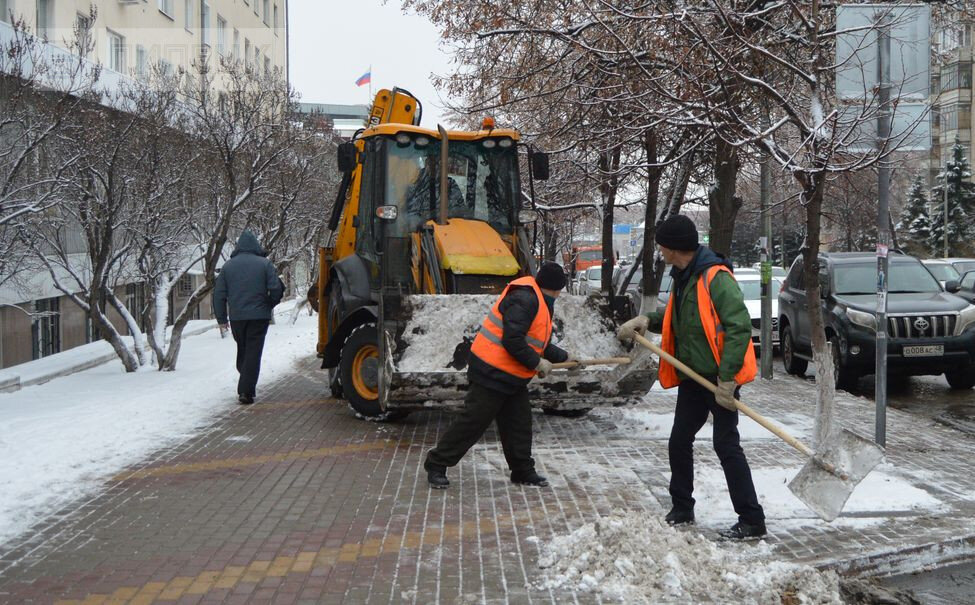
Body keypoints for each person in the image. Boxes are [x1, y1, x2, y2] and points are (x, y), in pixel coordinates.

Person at [617, 214, 765, 540]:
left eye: (661, 246)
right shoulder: (685, 276)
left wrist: (728, 381)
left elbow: (739, 328)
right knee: (679, 440)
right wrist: (646, 319)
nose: (659, 251)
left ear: (673, 247)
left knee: (726, 446)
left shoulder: (716, 278)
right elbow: (677, 319)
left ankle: (752, 519)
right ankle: (682, 507)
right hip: (692, 377)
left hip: (718, 379)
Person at [424, 262, 577, 489]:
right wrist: (536, 363)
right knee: (473, 422)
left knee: (519, 424)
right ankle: (436, 464)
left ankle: (522, 471)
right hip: (491, 371)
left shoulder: (540, 302)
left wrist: (565, 358)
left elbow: (536, 343)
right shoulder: (526, 300)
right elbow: (513, 341)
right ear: (555, 288)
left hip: (512, 375)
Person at [213, 230, 285, 405]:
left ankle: (245, 379)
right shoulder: (265, 264)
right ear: (256, 246)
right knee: (253, 351)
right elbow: (276, 288)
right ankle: (246, 389)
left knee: (244, 348)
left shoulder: (228, 267)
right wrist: (269, 304)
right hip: (259, 316)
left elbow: (218, 295)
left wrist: (222, 319)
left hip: (237, 318)